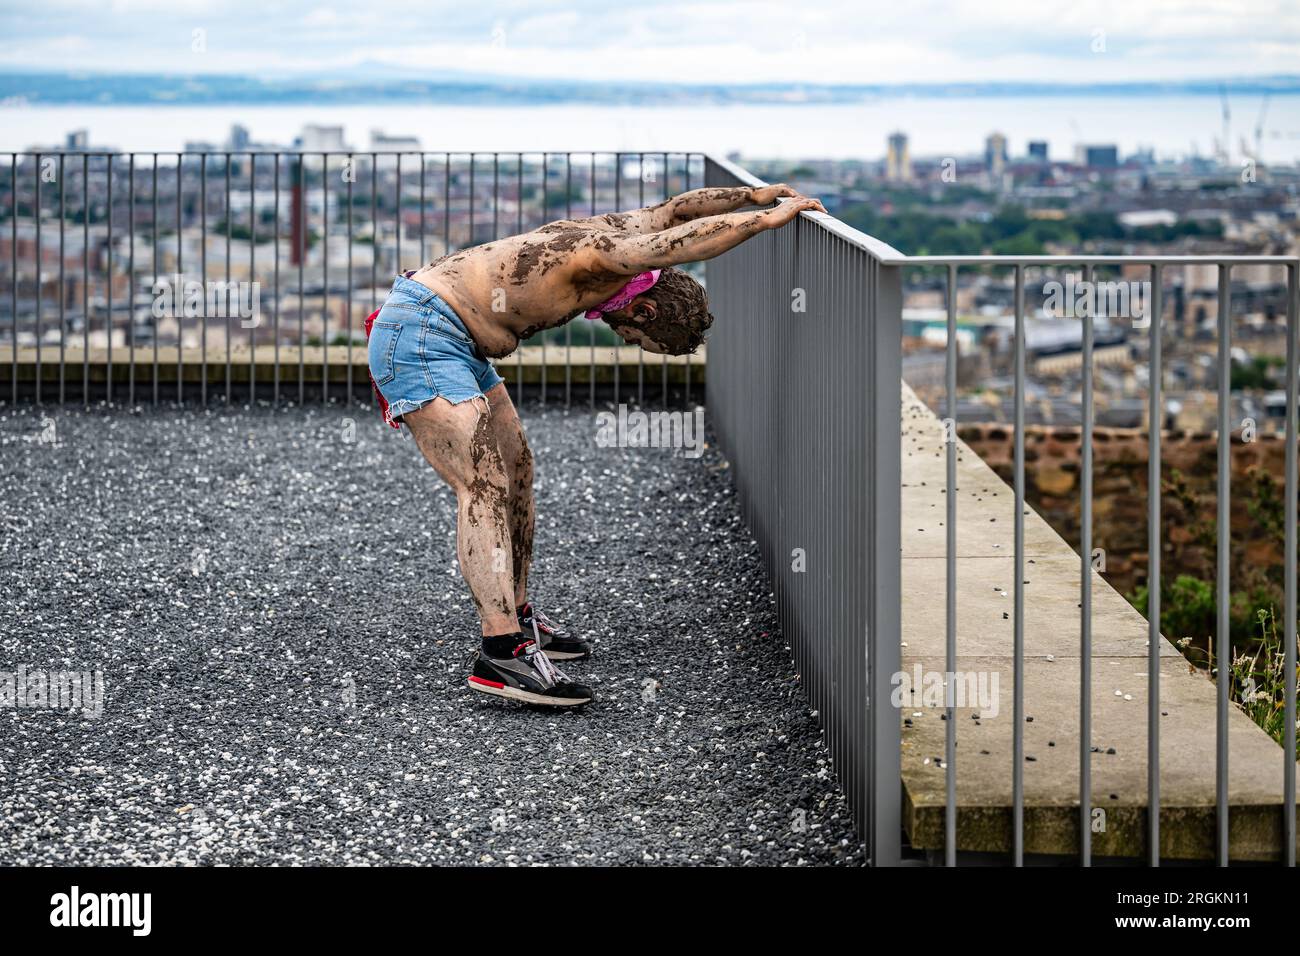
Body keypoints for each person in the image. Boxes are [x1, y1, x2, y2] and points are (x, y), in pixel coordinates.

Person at [366, 183, 826, 707]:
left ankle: (519, 615)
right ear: (646, 313)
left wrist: (750, 194)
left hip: (457, 338)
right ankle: (501, 651)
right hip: (422, 335)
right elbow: (689, 239)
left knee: (517, 469)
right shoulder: (609, 258)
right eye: (637, 341)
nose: (626, 342)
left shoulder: (628, 230)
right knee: (483, 486)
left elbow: (676, 210)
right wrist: (767, 219)